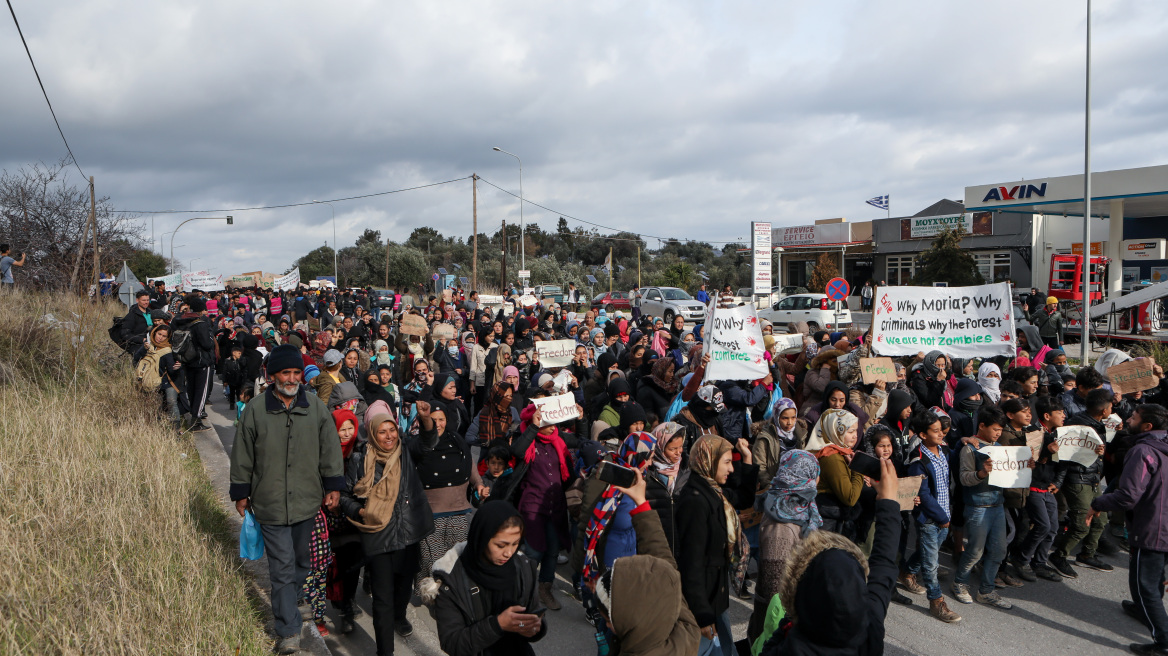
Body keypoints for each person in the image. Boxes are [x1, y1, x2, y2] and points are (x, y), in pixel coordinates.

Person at [229, 344, 347, 654]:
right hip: (269, 503)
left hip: (306, 500)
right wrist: (241, 491)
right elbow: (242, 453)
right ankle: (289, 630)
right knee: (281, 568)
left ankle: (293, 597)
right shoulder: (256, 409)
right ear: (272, 376)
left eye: (297, 372)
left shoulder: (314, 407)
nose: (292, 378)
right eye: (286, 372)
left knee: (301, 562)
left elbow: (330, 448)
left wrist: (333, 485)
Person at [757, 458, 902, 656]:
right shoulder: (869, 632)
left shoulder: (791, 645)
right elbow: (883, 565)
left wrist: (793, 615)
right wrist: (889, 503)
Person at [339, 411, 435, 654]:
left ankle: (400, 617)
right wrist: (360, 512)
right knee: (382, 601)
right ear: (373, 434)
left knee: (403, 588)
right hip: (378, 534)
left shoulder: (406, 452)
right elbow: (344, 495)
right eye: (382, 432)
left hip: (407, 533)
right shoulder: (360, 459)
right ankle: (385, 651)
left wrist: (425, 420)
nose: (389, 436)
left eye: (392, 430)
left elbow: (428, 441)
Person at [590, 467, 702, 656]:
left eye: (610, 620)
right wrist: (641, 504)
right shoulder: (687, 635)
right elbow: (666, 569)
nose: (608, 626)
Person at [1088, 404, 1168, 656]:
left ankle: (1164, 642)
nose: (1128, 419)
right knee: (1150, 577)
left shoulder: (1144, 450)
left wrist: (1097, 503)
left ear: (1147, 426)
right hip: (1161, 525)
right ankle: (1141, 608)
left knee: (1144, 584)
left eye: (1134, 417)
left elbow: (1128, 496)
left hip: (1152, 528)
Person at [423, 500, 546, 656]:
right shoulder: (450, 579)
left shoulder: (523, 567)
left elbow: (533, 612)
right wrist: (497, 625)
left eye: (515, 543)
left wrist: (535, 629)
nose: (509, 553)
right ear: (482, 538)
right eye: (501, 545)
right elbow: (452, 643)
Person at [676, 435, 759, 656]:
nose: (731, 469)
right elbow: (690, 563)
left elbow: (742, 498)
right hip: (703, 601)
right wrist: (702, 614)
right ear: (708, 461)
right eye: (727, 462)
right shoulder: (695, 500)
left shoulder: (713, 491)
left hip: (715, 595)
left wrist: (747, 458)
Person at [748, 449, 822, 643]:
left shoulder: (799, 506)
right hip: (777, 620)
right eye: (814, 474)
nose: (817, 480)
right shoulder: (781, 522)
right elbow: (775, 586)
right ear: (801, 477)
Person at [951, 405, 1015, 610]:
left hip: (997, 505)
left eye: (1000, 430)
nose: (998, 433)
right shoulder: (970, 448)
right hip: (977, 507)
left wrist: (1024, 466)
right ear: (982, 425)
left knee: (998, 550)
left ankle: (986, 590)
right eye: (995, 429)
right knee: (975, 551)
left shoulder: (1000, 448)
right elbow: (963, 478)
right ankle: (959, 583)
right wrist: (981, 473)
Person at [903, 410, 962, 623]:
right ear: (922, 434)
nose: (941, 435)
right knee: (931, 563)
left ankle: (907, 572)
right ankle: (937, 602)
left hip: (945, 513)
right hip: (929, 518)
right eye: (935, 431)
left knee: (929, 552)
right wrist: (941, 517)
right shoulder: (918, 460)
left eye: (941, 431)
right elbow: (923, 494)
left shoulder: (944, 451)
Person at [1049, 387, 1113, 576]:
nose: (1112, 410)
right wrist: (1059, 482)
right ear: (1104, 409)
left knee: (1100, 519)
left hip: (1092, 478)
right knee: (1081, 523)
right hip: (1078, 480)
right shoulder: (1078, 427)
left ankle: (1087, 555)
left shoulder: (1098, 423)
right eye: (1111, 407)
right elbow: (1065, 457)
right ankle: (1059, 556)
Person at [171, 295, 217, 432]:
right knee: (201, 391)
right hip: (202, 361)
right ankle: (196, 421)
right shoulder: (200, 323)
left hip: (187, 360)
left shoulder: (179, 320)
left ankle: (193, 415)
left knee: (191, 389)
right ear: (202, 310)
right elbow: (207, 344)